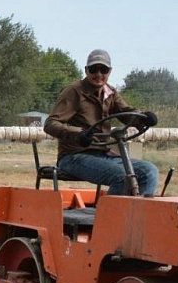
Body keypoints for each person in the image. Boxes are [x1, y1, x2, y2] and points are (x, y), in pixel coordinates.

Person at [44, 49, 159, 196]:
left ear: (109, 71)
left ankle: (138, 214)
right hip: (74, 156)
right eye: (94, 69)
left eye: (103, 69)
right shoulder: (74, 92)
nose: (99, 74)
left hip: (104, 155)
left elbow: (126, 113)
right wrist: (79, 134)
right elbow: (51, 124)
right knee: (121, 176)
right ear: (86, 70)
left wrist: (143, 118)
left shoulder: (110, 93)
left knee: (149, 171)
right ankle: (109, 217)